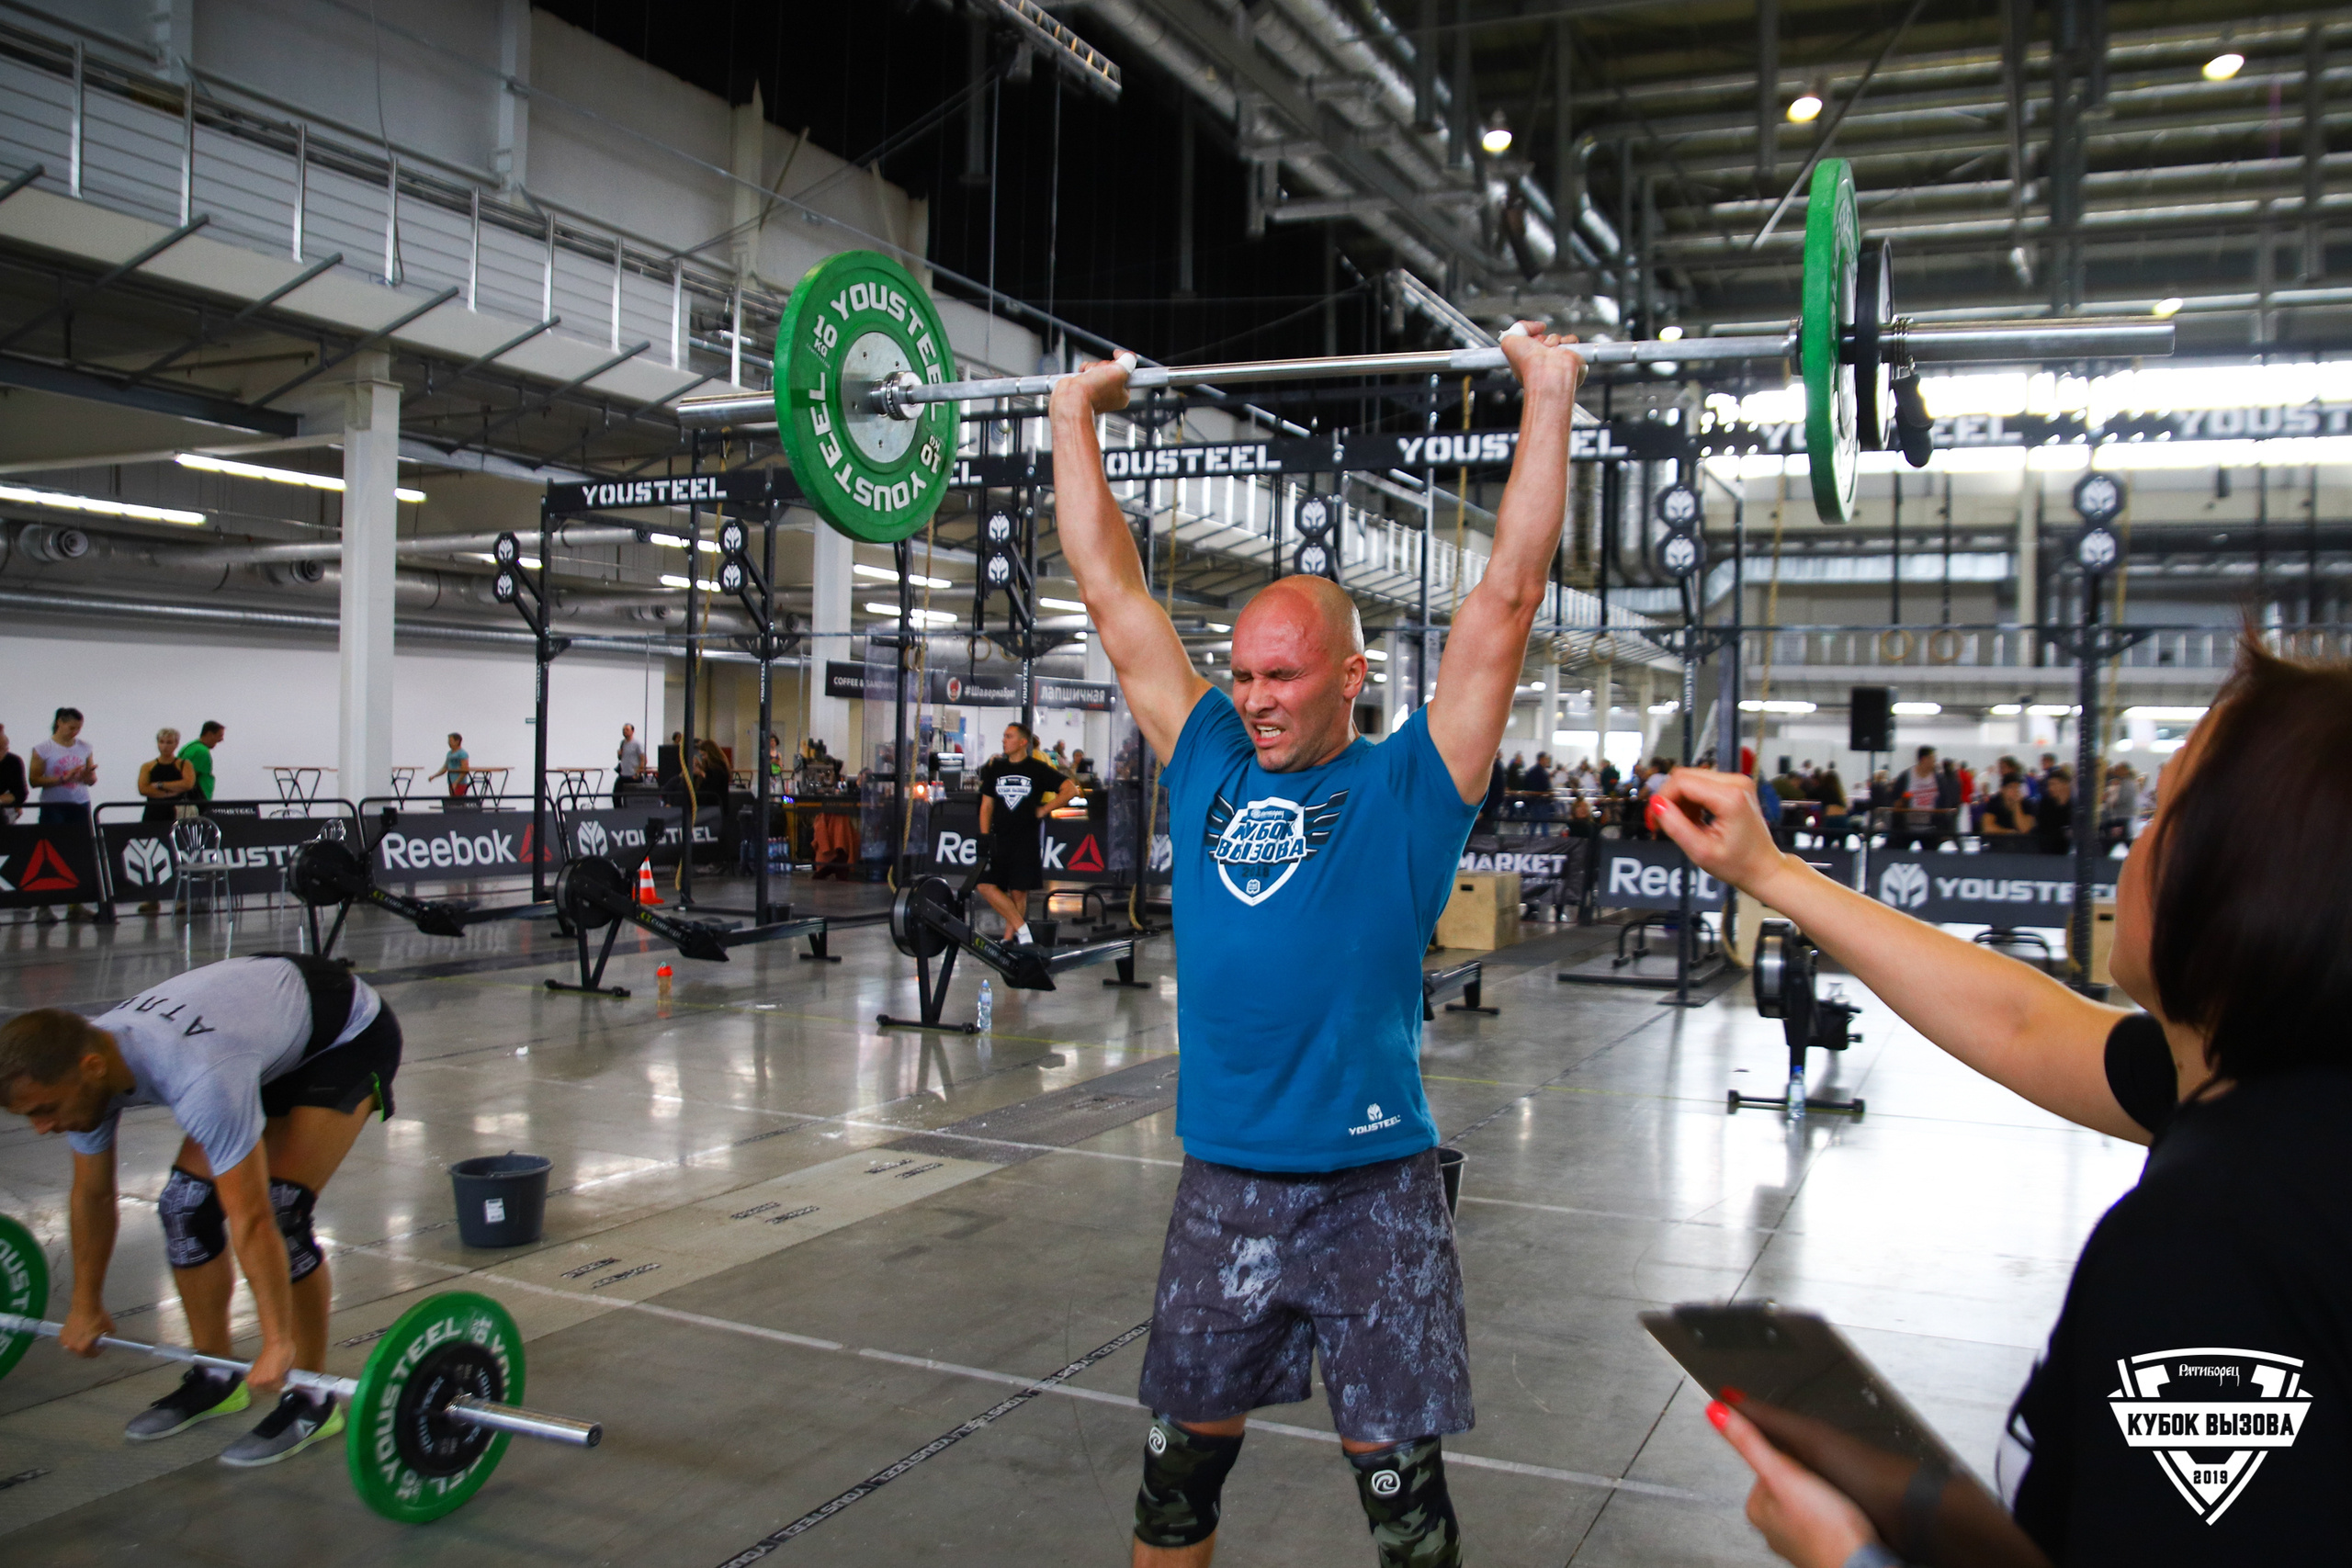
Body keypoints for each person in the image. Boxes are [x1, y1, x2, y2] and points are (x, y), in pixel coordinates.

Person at [1052, 323, 1586, 1568]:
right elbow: (1110, 587)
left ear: (1353, 675)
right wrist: (1076, 412)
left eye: (1283, 676)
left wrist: (1548, 392)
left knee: (1408, 1515)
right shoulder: (1208, 761)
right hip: (1222, 1182)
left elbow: (1506, 594)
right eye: (1242, 673)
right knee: (1174, 1489)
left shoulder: (1413, 784)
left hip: (1373, 1192)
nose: (1255, 697)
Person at [1657, 636, 2352, 1564]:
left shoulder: (2215, 1250)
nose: (2133, 847)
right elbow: (2024, 1022)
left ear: (2231, 880)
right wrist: (1772, 874)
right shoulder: (2277, 1091)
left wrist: (1855, 1557)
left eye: (2160, 818)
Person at [0, 953, 403, 1467]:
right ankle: (216, 1375)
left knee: (282, 1212)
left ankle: (312, 1397)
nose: (42, 1128)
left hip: (346, 1036)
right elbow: (92, 1195)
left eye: (45, 1111)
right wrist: (85, 1301)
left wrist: (276, 1340)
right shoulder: (86, 1062)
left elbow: (252, 1217)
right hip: (263, 1030)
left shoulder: (197, 1072)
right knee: (184, 1206)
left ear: (92, 1068)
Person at [974, 722, 1077, 943]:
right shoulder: (995, 769)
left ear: (1022, 742)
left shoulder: (1036, 769)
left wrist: (1044, 810)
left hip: (1026, 839)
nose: (1004, 740)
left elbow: (1070, 789)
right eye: (1003, 736)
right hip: (1000, 838)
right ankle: (1022, 929)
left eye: (1009, 736)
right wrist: (984, 837)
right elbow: (986, 806)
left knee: (1019, 892)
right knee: (984, 884)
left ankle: (1009, 939)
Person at [31, 707, 97, 921]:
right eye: (71, 728)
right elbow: (34, 780)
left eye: (78, 729)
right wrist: (62, 779)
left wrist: (87, 777)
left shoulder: (84, 747)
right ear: (59, 723)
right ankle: (44, 904)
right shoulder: (43, 749)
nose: (75, 733)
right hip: (54, 806)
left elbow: (91, 779)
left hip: (79, 803)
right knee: (50, 853)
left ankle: (75, 903)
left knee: (78, 853)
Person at [135, 728, 197, 917]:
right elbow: (143, 788)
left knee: (180, 853)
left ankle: (182, 899)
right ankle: (152, 898)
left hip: (177, 813)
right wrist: (169, 792)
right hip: (154, 813)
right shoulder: (148, 766)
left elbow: (187, 784)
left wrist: (161, 786)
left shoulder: (184, 764)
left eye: (169, 742)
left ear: (176, 744)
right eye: (162, 742)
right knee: (152, 854)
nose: (165, 746)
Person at [176, 720, 223, 806]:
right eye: (219, 736)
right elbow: (191, 776)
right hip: (197, 798)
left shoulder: (189, 746)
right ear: (209, 734)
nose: (221, 739)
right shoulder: (202, 751)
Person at [2034, 765, 2075, 855]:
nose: (2050, 788)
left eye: (2054, 784)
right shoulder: (2045, 804)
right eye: (2049, 785)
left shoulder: (2076, 805)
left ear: (2065, 784)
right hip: (2047, 851)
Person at [1981, 773, 2031, 840]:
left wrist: (2017, 804)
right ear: (2003, 790)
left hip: (2021, 843)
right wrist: (2008, 832)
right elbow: (1987, 828)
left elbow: (2024, 829)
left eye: (2018, 787)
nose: (2016, 790)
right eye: (2011, 787)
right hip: (1998, 841)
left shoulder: (2026, 804)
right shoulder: (1994, 802)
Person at [427, 733, 470, 798]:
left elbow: (465, 770)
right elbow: (445, 767)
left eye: (451, 741)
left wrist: (456, 782)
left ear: (457, 741)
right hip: (451, 781)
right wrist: (434, 776)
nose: (449, 743)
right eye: (448, 741)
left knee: (457, 800)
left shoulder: (462, 753)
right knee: (452, 800)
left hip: (460, 783)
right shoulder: (449, 753)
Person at [0, 721, 27, 825]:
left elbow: (21, 793)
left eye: (5, 748)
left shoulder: (13, 761)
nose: (3, 754)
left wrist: (3, 800)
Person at [615, 722, 645, 803]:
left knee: (632, 799)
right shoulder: (623, 743)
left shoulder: (637, 744)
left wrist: (638, 773)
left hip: (633, 776)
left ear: (632, 731)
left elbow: (643, 759)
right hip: (623, 774)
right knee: (616, 796)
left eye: (627, 730)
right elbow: (622, 758)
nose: (625, 731)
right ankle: (618, 812)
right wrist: (619, 755)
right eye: (623, 730)